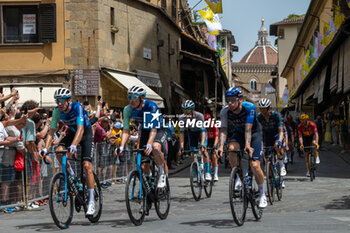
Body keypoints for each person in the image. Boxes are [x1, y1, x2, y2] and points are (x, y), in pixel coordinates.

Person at [41, 88, 96, 216]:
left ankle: (92, 201)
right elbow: (51, 131)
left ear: (68, 100)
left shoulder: (77, 107)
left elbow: (81, 129)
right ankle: (72, 176)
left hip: (85, 133)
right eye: (57, 101)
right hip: (72, 132)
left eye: (61, 100)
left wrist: (74, 145)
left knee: (87, 166)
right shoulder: (56, 111)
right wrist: (46, 147)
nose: (59, 103)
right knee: (59, 152)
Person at [218, 87, 267, 208]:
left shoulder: (249, 107)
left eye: (232, 100)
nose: (229, 102)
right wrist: (220, 146)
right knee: (231, 148)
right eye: (227, 100)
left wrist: (247, 145)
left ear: (239, 100)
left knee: (255, 165)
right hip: (239, 133)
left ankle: (262, 194)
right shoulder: (225, 111)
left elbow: (248, 128)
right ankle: (239, 177)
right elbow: (223, 130)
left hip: (254, 133)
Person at [116, 85, 168, 189]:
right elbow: (126, 130)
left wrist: (149, 144)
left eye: (134, 97)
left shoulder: (151, 106)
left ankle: (162, 173)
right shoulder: (127, 109)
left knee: (155, 147)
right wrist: (122, 146)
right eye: (129, 97)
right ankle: (148, 187)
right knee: (144, 166)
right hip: (145, 130)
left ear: (141, 98)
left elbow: (154, 129)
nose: (131, 100)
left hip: (158, 129)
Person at [179, 100, 211, 181]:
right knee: (193, 153)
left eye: (188, 111)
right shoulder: (181, 118)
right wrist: (181, 147)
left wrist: (203, 144)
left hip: (200, 132)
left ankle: (207, 173)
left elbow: (203, 132)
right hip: (192, 133)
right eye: (184, 111)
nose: (186, 114)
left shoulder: (199, 116)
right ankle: (198, 176)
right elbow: (181, 133)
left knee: (203, 150)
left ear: (193, 110)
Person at [257, 98, 286, 177]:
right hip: (266, 135)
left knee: (277, 145)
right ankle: (271, 177)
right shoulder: (259, 117)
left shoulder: (276, 115)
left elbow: (281, 131)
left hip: (276, 134)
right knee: (266, 157)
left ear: (269, 108)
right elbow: (257, 131)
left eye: (264, 110)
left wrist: (280, 141)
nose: (263, 112)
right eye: (261, 109)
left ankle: (281, 164)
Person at [205, 113, 219, 181]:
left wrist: (215, 146)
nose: (206, 121)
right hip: (207, 140)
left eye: (208, 120)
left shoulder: (214, 125)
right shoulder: (204, 125)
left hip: (214, 140)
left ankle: (216, 174)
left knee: (214, 156)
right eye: (205, 120)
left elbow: (217, 137)